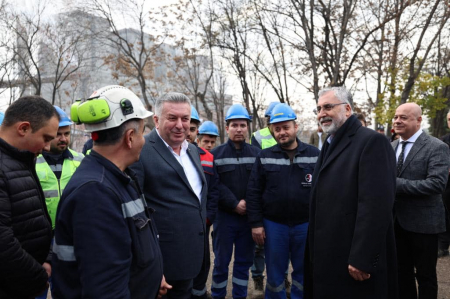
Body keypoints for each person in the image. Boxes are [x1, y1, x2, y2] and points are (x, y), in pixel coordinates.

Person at [52, 85, 166, 299]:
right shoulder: (96, 193)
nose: (144, 140)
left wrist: (151, 278)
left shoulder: (118, 177)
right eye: (143, 132)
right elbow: (105, 290)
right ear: (130, 137)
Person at [305, 86, 398, 299]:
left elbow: (376, 206)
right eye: (318, 109)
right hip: (330, 253)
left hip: (353, 259)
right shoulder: (330, 143)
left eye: (328, 107)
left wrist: (363, 258)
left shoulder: (371, 142)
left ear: (347, 109)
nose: (321, 114)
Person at [131, 92, 207, 299]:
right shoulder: (141, 151)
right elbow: (135, 212)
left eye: (185, 119)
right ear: (156, 120)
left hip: (191, 257)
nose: (180, 125)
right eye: (172, 118)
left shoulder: (192, 151)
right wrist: (150, 267)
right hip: (161, 263)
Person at [247, 104, 320, 299]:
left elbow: (324, 192)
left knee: (303, 271)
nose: (281, 132)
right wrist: (256, 224)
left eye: (286, 127)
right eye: (277, 129)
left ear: (296, 127)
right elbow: (253, 192)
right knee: (274, 273)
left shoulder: (315, 155)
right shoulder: (264, 156)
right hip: (274, 225)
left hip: (305, 224)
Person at [0, 96, 60, 298]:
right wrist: (37, 276)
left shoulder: (22, 160)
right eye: (46, 138)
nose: (47, 147)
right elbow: (3, 241)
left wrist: (48, 258)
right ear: (24, 128)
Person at [392, 103, 450, 299]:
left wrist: (394, 184)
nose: (397, 121)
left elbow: (436, 184)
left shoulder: (437, 147)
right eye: (396, 117)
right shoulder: (390, 147)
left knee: (425, 277)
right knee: (401, 274)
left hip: (424, 224)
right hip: (395, 223)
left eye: (404, 117)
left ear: (418, 121)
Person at [210, 104, 261, 299]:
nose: (238, 129)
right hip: (224, 219)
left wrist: (247, 203)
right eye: (234, 125)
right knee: (221, 263)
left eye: (242, 125)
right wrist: (234, 203)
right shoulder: (216, 155)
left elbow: (259, 183)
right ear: (227, 127)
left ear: (248, 127)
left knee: (243, 263)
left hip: (248, 219)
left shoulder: (257, 154)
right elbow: (215, 185)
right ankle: (217, 295)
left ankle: (240, 295)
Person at [35, 106, 84, 299]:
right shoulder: (32, 160)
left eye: (67, 133)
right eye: (58, 134)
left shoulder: (80, 160)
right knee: (37, 287)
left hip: (70, 236)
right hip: (41, 238)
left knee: (66, 288)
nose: (63, 138)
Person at [187, 106, 219, 299]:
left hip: (201, 223)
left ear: (196, 131)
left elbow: (214, 191)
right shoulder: (162, 155)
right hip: (175, 224)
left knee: (202, 260)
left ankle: (198, 293)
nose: (186, 132)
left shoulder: (207, 158)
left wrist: (208, 218)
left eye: (191, 128)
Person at [439, 111, 450, 258]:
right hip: (447, 186)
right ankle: (443, 246)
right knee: (445, 215)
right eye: (449, 119)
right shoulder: (444, 140)